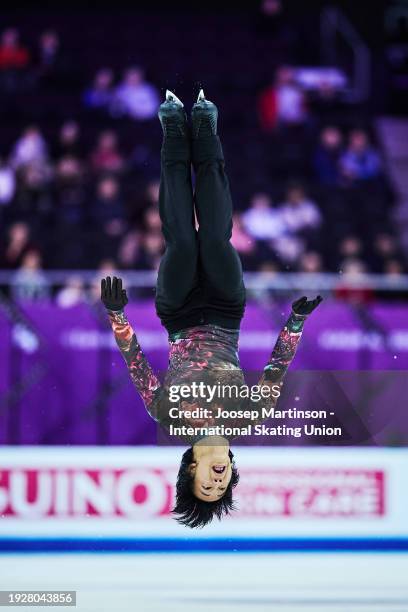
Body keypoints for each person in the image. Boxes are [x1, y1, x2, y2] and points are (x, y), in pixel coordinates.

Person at [100, 90, 322, 528]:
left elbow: (137, 364)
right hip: (224, 312)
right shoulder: (249, 416)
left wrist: (117, 315)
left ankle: (172, 134)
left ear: (189, 470)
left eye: (206, 485)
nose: (217, 482)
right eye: (221, 488)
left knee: (183, 239)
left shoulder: (168, 415)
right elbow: (278, 365)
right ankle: (206, 129)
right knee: (216, 237)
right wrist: (295, 321)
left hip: (179, 312)